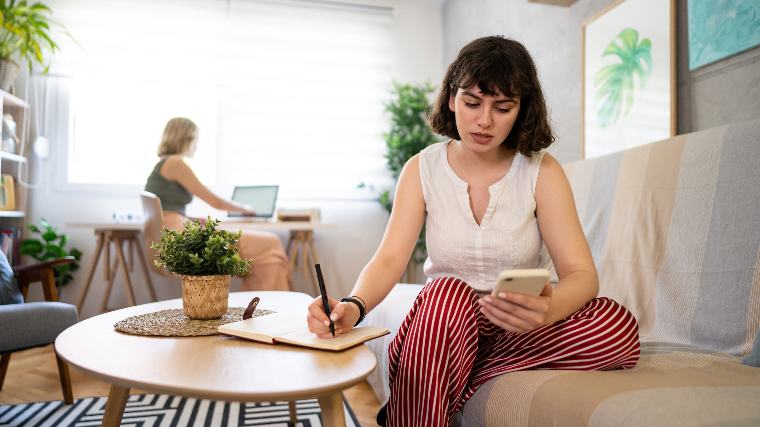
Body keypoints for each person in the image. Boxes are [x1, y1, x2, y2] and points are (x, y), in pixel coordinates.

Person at [306, 36, 640, 426]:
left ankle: (456, 375)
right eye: (472, 103)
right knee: (447, 291)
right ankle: (435, 377)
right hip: (445, 322)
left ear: (521, 110)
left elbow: (582, 275)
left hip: (519, 328)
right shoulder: (422, 169)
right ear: (451, 99)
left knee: (618, 327)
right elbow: (390, 259)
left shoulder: (541, 171)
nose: (485, 121)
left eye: (503, 107)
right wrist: (354, 306)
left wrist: (549, 308)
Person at [145, 117, 291, 291]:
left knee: (269, 254)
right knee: (271, 244)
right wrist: (244, 208)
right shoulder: (175, 163)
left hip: (177, 236)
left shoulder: (162, 165)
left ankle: (263, 309)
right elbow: (214, 201)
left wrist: (189, 219)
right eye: (195, 140)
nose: (196, 146)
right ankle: (274, 309)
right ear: (185, 139)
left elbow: (167, 210)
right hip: (183, 242)